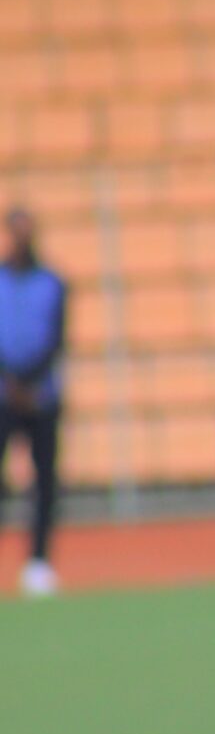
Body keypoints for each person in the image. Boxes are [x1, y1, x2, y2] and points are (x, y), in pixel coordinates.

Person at [0, 207, 67, 599]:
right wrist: (11, 381)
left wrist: (30, 382)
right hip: (4, 395)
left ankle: (39, 562)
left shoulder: (53, 282)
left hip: (42, 396)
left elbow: (57, 338)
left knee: (44, 482)